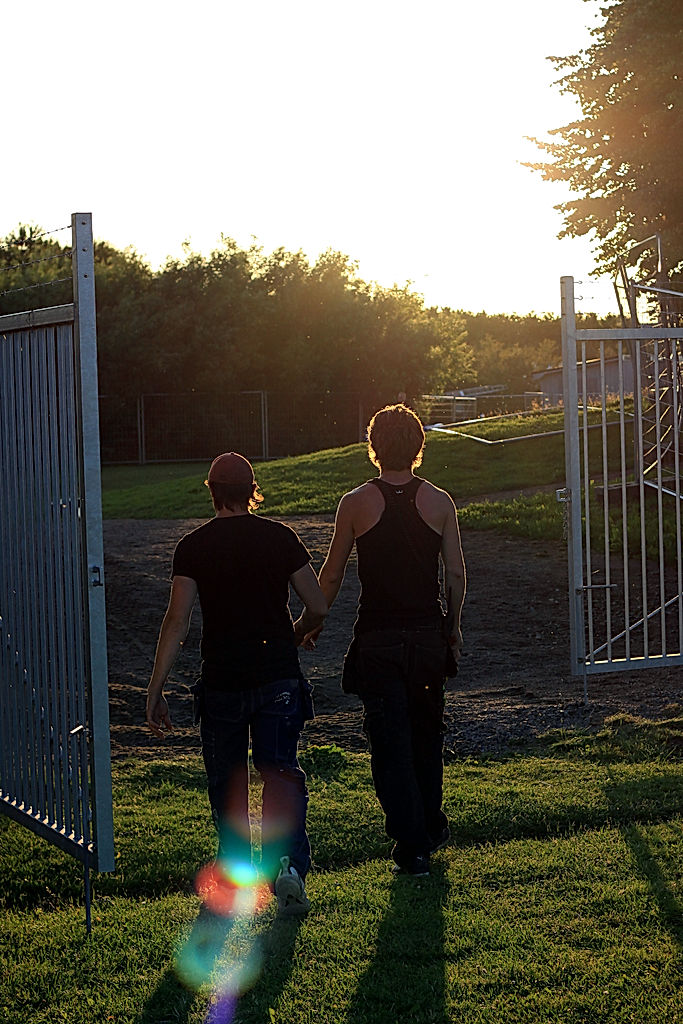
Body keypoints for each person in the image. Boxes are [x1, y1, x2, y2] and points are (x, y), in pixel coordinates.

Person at [146, 451, 327, 915]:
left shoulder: (193, 547)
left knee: (228, 783)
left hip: (223, 680)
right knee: (280, 773)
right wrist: (296, 633)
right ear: (252, 491)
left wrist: (156, 687)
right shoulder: (281, 538)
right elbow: (319, 605)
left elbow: (177, 621)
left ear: (212, 491)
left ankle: (231, 879)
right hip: (278, 678)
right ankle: (286, 868)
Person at [306, 404, 465, 876]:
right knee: (426, 735)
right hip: (425, 639)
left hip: (377, 642)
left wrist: (311, 621)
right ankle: (428, 827)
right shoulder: (440, 502)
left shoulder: (355, 503)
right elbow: (455, 573)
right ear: (419, 447)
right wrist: (451, 628)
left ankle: (412, 842)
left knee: (389, 744)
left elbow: (332, 575)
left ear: (373, 446)